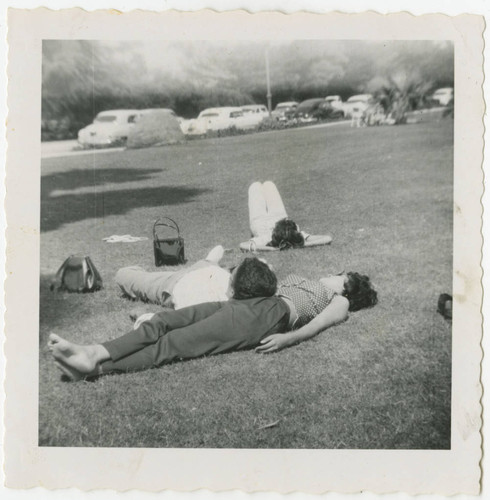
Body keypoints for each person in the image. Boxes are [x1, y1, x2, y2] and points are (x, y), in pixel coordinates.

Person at [48, 264, 378, 380]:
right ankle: (94, 352)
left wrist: (287, 339)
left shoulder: (341, 301)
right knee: (165, 321)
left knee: (176, 343)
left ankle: (95, 368)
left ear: (346, 281)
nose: (334, 274)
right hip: (248, 304)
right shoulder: (313, 283)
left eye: (341, 274)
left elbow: (316, 326)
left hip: (268, 317)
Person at [115, 245, 231, 310]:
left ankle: (209, 261)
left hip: (178, 283)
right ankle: (209, 261)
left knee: (123, 275)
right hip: (203, 272)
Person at [240, 181, 332, 252]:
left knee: (255, 186)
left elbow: (243, 245)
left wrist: (271, 249)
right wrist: (301, 245)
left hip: (260, 221)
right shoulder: (294, 234)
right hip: (279, 217)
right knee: (269, 184)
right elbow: (327, 238)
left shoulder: (267, 238)